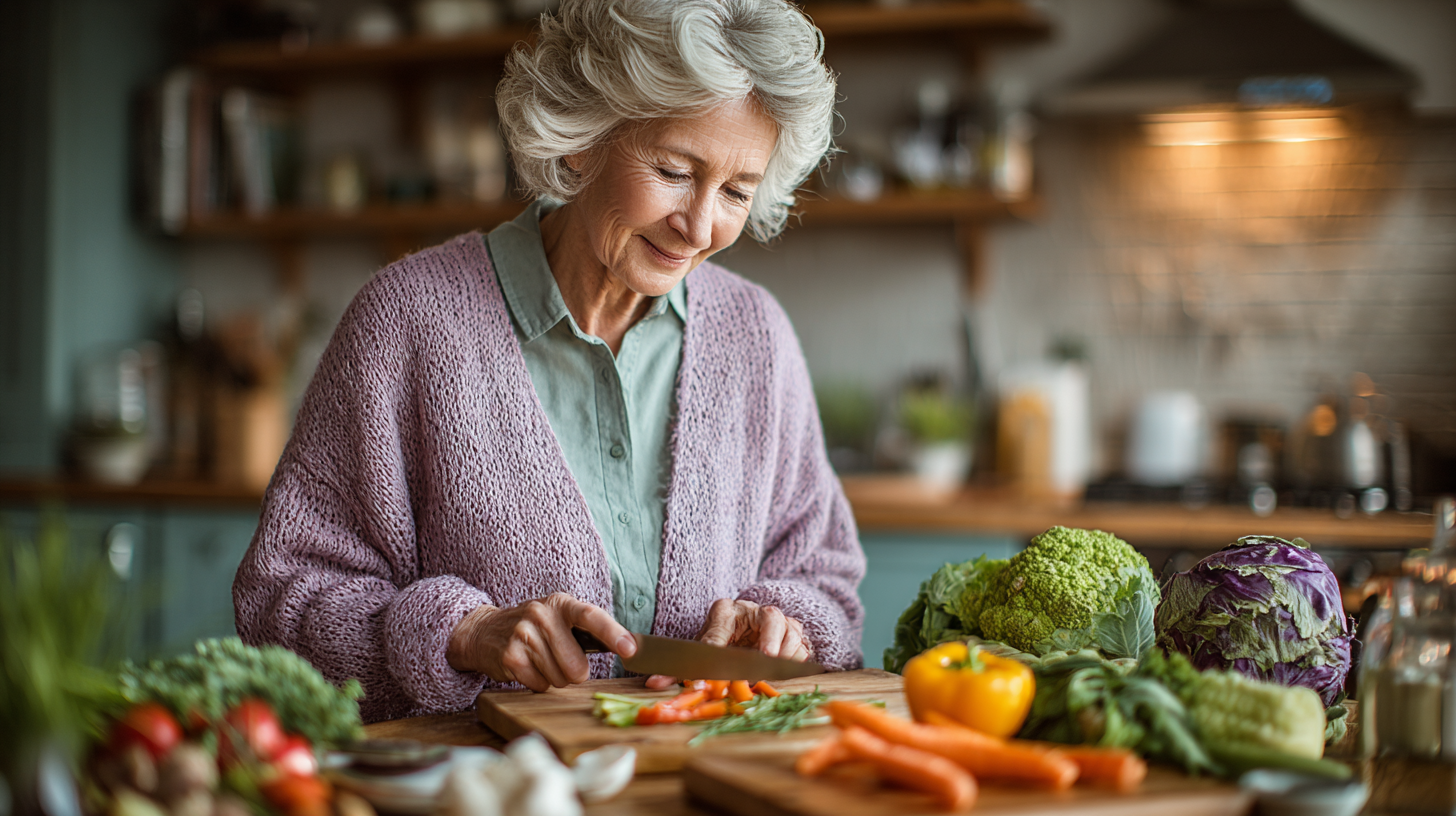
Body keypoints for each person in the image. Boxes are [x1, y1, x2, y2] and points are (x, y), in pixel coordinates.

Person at [233, 0, 865, 722]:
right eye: (672, 170)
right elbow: (283, 599)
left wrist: (787, 622)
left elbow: (828, 580)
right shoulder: (406, 321)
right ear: (580, 140)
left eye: (736, 191)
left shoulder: (757, 336)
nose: (698, 224)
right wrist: (458, 635)